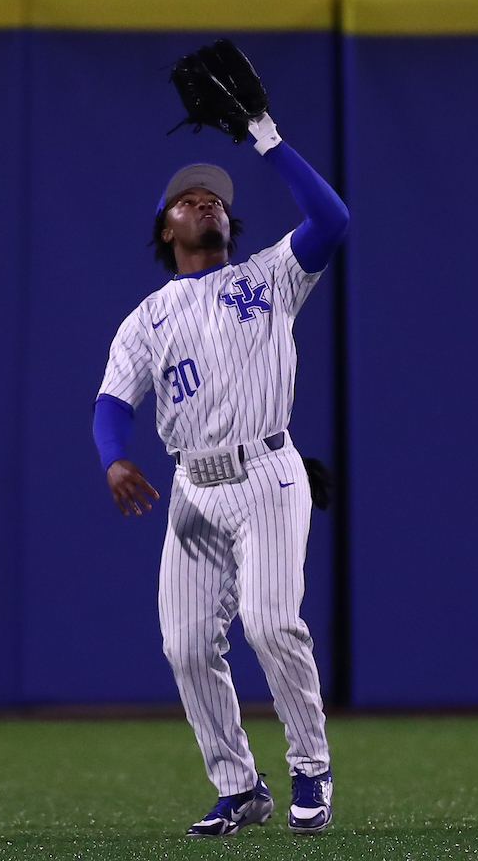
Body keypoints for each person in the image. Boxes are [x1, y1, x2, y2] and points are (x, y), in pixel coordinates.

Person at [92, 98, 348, 837]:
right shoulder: (147, 319)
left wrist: (265, 137)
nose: (207, 202)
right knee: (184, 644)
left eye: (217, 200)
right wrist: (113, 461)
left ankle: (310, 767)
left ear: (231, 226)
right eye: (189, 199)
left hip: (269, 474)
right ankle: (239, 786)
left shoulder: (269, 277)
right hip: (194, 490)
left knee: (271, 624)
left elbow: (332, 222)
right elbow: (112, 402)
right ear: (165, 227)